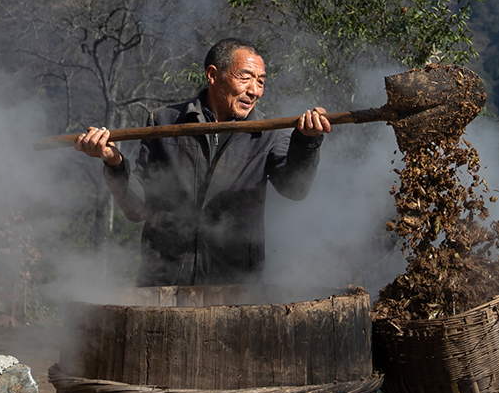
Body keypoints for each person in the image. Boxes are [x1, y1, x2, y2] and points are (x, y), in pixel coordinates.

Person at [74, 38, 332, 286]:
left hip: (236, 287)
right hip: (164, 284)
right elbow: (138, 208)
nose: (254, 91)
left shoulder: (268, 135)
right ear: (212, 75)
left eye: (261, 81)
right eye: (245, 78)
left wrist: (306, 142)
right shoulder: (165, 123)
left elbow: (295, 189)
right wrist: (114, 161)